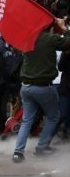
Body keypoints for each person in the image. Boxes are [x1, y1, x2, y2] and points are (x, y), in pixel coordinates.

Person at [12, 18, 70, 162]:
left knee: (27, 120)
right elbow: (68, 42)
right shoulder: (50, 39)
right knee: (53, 116)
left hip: (25, 86)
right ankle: (42, 147)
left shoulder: (27, 38)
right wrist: (64, 28)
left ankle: (18, 152)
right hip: (44, 86)